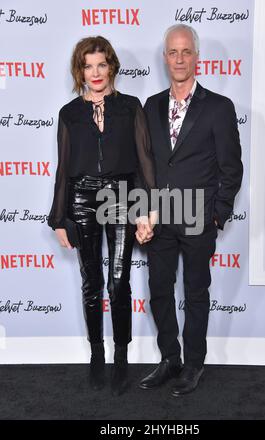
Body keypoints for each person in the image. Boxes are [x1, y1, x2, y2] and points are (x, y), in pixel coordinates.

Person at [137, 24, 243, 396]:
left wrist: (218, 213)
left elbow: (232, 168)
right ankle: (170, 358)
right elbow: (145, 164)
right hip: (160, 218)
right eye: (172, 52)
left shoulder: (218, 107)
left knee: (196, 292)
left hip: (199, 217)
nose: (179, 59)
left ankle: (194, 364)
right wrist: (143, 212)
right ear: (165, 57)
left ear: (197, 57)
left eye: (186, 52)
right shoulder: (150, 106)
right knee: (160, 291)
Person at [47, 36, 156, 396]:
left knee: (118, 281)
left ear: (111, 67)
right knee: (91, 282)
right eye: (87, 66)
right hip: (80, 198)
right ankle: (97, 355)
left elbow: (144, 163)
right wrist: (59, 218)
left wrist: (146, 210)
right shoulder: (69, 113)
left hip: (123, 195)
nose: (95, 72)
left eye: (101, 64)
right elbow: (63, 167)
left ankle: (121, 356)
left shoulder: (130, 106)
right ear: (80, 71)